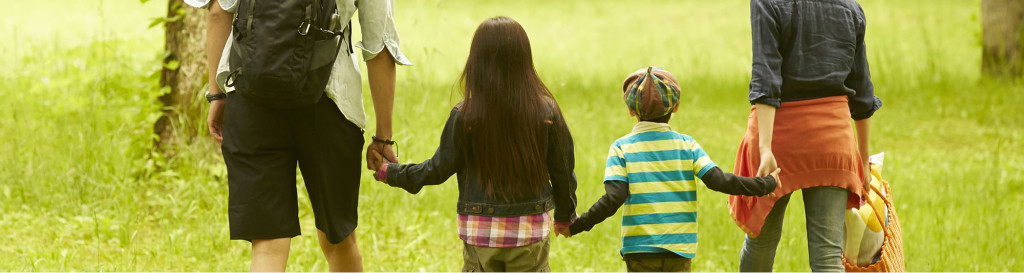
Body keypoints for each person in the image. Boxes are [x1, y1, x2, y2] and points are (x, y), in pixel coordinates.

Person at [191, 0, 412, 271]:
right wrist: (383, 137)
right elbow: (380, 45)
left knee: (267, 247)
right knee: (339, 239)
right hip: (331, 103)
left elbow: (217, 12)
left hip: (252, 96)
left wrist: (217, 93)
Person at [369, 16, 577, 272]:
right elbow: (563, 171)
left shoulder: (465, 115)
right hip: (529, 232)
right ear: (524, 60)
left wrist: (390, 172)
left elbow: (436, 169)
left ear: (476, 62)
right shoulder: (546, 111)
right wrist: (566, 216)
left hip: (480, 232)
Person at [556, 66, 781, 272]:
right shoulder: (687, 146)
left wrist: (578, 225)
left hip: (640, 251)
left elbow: (614, 199)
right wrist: (765, 184)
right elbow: (719, 181)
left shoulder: (621, 149)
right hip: (679, 248)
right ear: (676, 107)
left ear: (631, 110)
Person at [730, 0, 882, 271]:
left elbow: (765, 77)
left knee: (761, 243)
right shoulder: (851, 8)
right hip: (832, 141)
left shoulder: (767, 3)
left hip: (779, 139)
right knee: (827, 256)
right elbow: (862, 91)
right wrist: (864, 157)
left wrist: (765, 149)